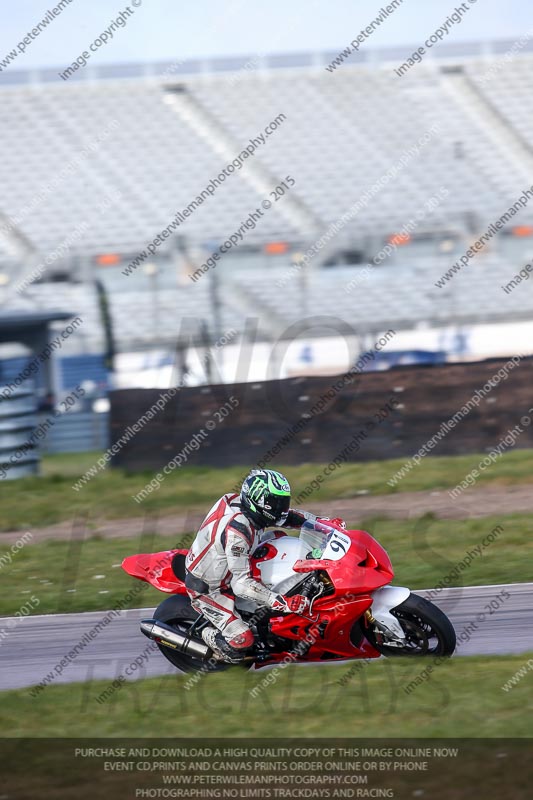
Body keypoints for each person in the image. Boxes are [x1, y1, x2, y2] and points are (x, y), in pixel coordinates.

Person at [184, 468, 345, 663]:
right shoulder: (238, 533)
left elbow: (288, 517)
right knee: (241, 642)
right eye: (276, 503)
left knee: (280, 539)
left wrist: (322, 524)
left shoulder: (245, 506)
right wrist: (283, 602)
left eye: (283, 501)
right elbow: (240, 584)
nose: (282, 508)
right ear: (259, 502)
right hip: (212, 587)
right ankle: (209, 638)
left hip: (233, 558)